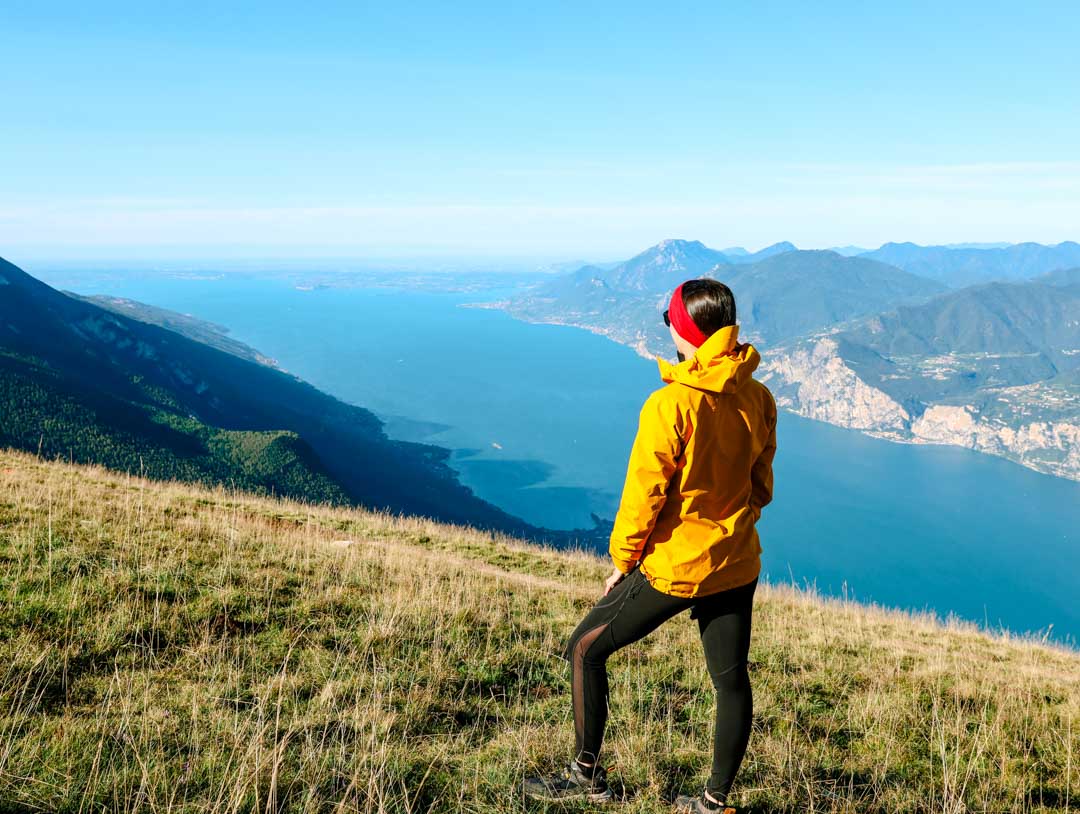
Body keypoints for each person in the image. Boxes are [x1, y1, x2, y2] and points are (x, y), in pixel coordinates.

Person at [522, 278, 778, 813]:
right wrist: (731, 526)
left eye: (670, 322)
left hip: (677, 567)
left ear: (684, 332)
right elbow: (760, 486)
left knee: (585, 649)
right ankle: (713, 803)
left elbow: (644, 495)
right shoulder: (758, 396)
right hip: (735, 562)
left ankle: (586, 776)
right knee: (730, 681)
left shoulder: (671, 405)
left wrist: (622, 562)